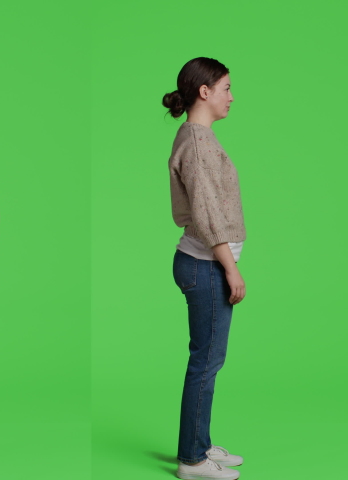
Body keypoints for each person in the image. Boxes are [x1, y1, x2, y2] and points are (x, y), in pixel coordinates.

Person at [164, 57, 246, 480]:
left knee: (208, 359)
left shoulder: (198, 137)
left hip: (202, 262)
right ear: (205, 91)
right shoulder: (197, 142)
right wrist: (231, 269)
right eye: (227, 88)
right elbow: (208, 213)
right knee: (207, 361)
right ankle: (191, 460)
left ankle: (197, 440)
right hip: (206, 265)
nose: (232, 97)